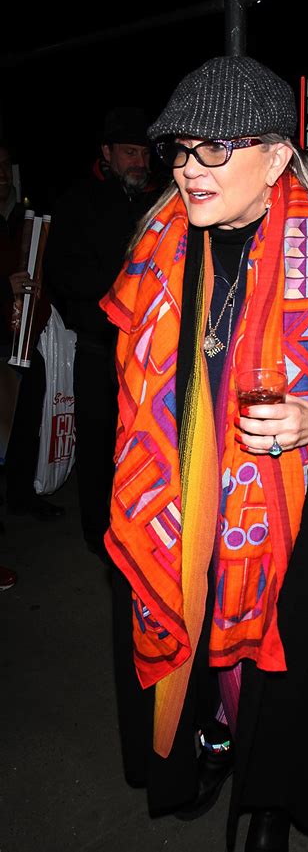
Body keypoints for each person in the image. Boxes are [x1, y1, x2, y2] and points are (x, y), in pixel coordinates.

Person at [100, 57, 308, 852]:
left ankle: (269, 800)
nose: (187, 168)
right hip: (175, 512)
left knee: (279, 683)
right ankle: (207, 750)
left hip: (298, 527)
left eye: (214, 149)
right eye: (181, 149)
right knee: (202, 654)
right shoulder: (157, 244)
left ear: (279, 155)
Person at [43, 107, 162, 559]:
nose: (140, 161)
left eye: (145, 153)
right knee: (97, 446)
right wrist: (123, 287)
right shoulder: (78, 200)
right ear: (107, 154)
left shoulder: (155, 199)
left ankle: (142, 526)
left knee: (146, 442)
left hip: (150, 351)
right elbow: (62, 271)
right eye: (130, 152)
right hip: (99, 349)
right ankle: (100, 534)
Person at [0, 139, 63, 521]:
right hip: (1, 341)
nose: (2, 176)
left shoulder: (22, 220)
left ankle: (22, 494)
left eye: (6, 166)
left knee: (27, 419)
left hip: (23, 340)